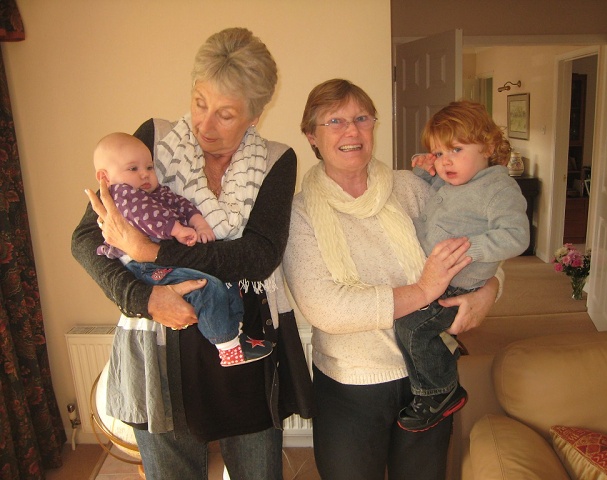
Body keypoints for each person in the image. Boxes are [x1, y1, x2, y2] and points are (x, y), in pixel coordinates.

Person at [71, 28, 314, 480]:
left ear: (255, 116)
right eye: (200, 103)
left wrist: (150, 249)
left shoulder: (278, 160)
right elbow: (86, 238)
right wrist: (143, 298)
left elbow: (259, 255)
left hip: (245, 343)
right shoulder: (153, 141)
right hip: (162, 346)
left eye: (225, 114)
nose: (204, 125)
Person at [283, 79, 502, 480]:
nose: (351, 131)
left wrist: (490, 288)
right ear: (311, 136)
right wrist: (423, 290)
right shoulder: (299, 214)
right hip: (350, 385)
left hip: (430, 377)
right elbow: (327, 308)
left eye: (361, 118)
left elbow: (479, 243)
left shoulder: (412, 187)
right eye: (335, 121)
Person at [394, 101, 529, 432]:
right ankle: (440, 370)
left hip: (460, 284)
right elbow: (429, 191)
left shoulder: (498, 187)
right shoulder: (453, 181)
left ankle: (440, 391)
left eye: (455, 149)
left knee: (411, 327)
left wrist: (473, 249)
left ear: (487, 146)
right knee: (412, 326)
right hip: (439, 278)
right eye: (439, 153)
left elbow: (517, 236)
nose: (446, 161)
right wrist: (423, 170)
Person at [93, 131, 273, 367]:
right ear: (104, 177)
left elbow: (180, 203)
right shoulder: (122, 194)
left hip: (165, 260)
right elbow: (146, 216)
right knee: (208, 288)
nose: (145, 174)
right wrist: (176, 229)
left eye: (149, 167)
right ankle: (227, 347)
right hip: (144, 267)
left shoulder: (155, 193)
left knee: (228, 280)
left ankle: (235, 334)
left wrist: (198, 221)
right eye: (133, 169)